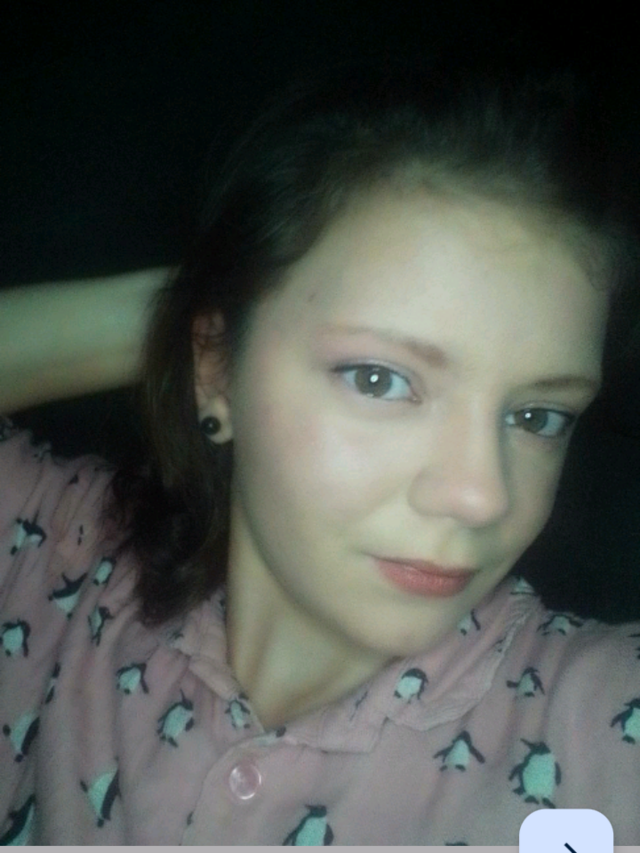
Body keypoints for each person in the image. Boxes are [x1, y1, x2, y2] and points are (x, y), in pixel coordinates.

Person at [1, 61, 639, 845]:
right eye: (379, 378)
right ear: (216, 369)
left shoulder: (598, 723)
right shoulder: (59, 563)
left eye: (538, 415)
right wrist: (191, 312)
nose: (482, 496)